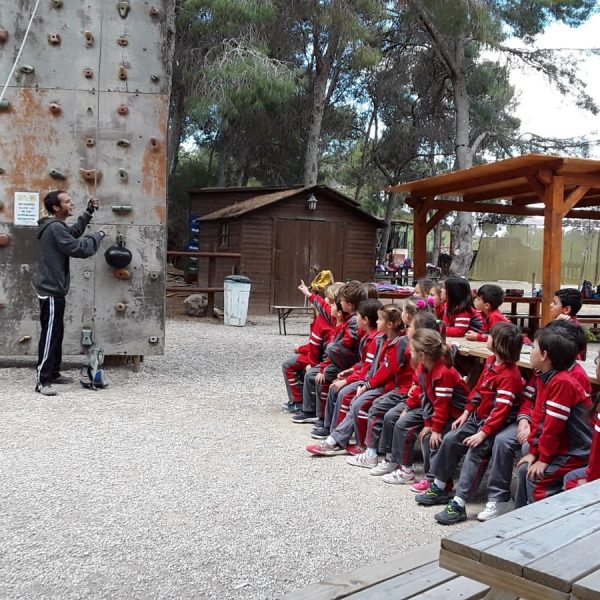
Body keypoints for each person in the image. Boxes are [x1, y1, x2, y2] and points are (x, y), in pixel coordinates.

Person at [418, 323, 525, 524]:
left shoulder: (510, 376)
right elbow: (478, 390)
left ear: (499, 344)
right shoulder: (491, 362)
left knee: (475, 452)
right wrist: (466, 412)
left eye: (490, 335)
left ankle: (459, 503)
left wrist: (482, 434)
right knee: (450, 439)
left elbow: (501, 411)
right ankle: (440, 485)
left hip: (494, 426)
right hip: (477, 418)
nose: (486, 337)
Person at [306, 304, 403, 456]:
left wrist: (361, 383)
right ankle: (333, 435)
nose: (377, 322)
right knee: (345, 394)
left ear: (389, 325)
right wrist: (352, 371)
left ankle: (345, 442)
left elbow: (383, 372)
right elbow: (366, 365)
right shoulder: (381, 339)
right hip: (374, 382)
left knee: (351, 398)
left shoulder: (390, 342)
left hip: (386, 387)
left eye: (380, 319)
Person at [35, 191, 106, 396]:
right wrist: (98, 236)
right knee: (50, 336)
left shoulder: (56, 226)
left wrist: (88, 212)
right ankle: (42, 380)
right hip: (51, 291)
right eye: (66, 202)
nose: (71, 203)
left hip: (54, 290)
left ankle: (53, 373)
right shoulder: (55, 227)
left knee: (56, 333)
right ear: (56, 208)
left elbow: (73, 233)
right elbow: (79, 248)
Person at [514, 325, 592, 508]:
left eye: (533, 347)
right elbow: (539, 419)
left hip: (577, 451)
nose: (530, 351)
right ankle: (521, 518)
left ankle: (544, 521)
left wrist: (543, 460)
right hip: (563, 447)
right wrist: (535, 452)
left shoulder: (562, 382)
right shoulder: (545, 376)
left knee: (537, 478)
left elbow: (552, 428)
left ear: (544, 355)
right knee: (525, 469)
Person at [382, 328, 468, 487]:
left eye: (412, 350)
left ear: (422, 355)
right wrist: (428, 424)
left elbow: (442, 405)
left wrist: (436, 429)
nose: (409, 352)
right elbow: (426, 398)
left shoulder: (443, 373)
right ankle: (427, 478)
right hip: (442, 413)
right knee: (425, 435)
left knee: (433, 440)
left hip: (458, 416)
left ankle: (436, 481)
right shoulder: (423, 368)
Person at [281, 280, 338, 413]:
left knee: (288, 365)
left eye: (328, 299)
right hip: (318, 355)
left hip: (319, 358)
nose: (322, 301)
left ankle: (298, 402)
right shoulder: (324, 317)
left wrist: (303, 353)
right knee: (294, 363)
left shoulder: (324, 320)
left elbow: (315, 347)